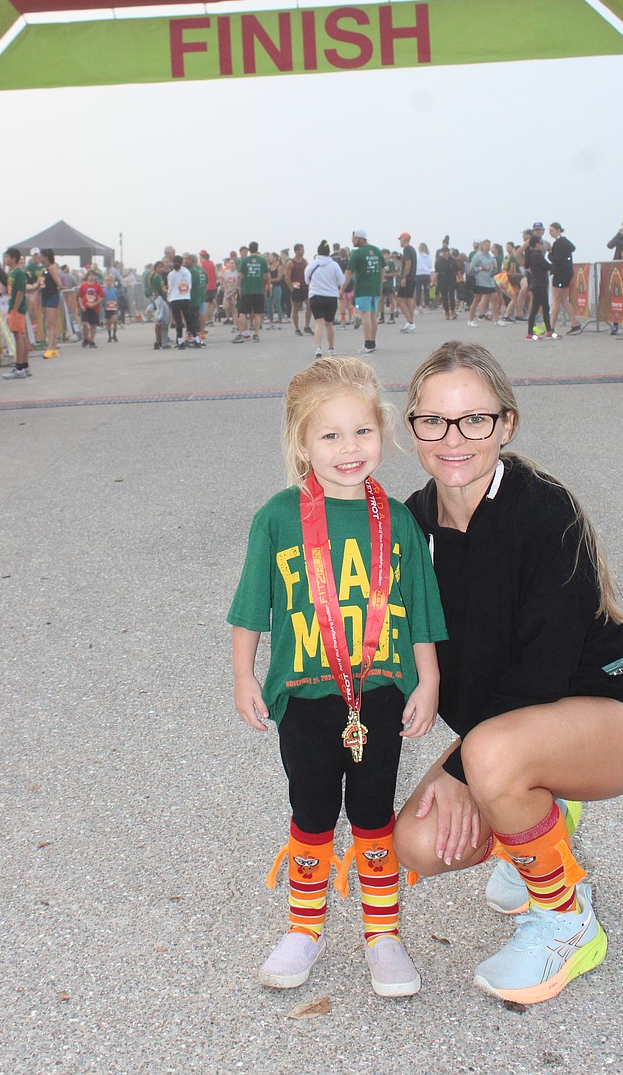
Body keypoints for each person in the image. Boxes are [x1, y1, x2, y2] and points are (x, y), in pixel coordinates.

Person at [394, 341, 623, 1005]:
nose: (453, 438)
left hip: (615, 709)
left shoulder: (544, 508)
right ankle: (539, 811)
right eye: (433, 420)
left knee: (491, 756)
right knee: (416, 842)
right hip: (511, 728)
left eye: (474, 419)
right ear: (412, 428)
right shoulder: (411, 526)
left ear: (506, 423)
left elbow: (544, 672)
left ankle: (566, 921)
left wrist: (469, 772)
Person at [227, 356, 445, 996]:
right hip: (304, 697)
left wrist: (426, 681)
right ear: (301, 443)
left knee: (374, 810)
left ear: (383, 433)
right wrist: (244, 676)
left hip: (377, 693)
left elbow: (422, 610)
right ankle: (303, 928)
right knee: (312, 809)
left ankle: (383, 935)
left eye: (363, 432)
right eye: (330, 435)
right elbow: (250, 608)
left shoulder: (399, 521)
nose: (350, 449)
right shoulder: (276, 517)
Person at [342, 228, 383, 354]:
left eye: (354, 238)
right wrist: (380, 283)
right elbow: (382, 269)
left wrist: (341, 288)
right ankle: (373, 342)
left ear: (360, 239)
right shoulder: (376, 251)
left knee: (364, 314)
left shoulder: (357, 253)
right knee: (372, 315)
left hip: (362, 289)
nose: (352, 240)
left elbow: (349, 273)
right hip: (375, 288)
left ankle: (368, 343)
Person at [305, 241, 344, 358]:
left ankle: (318, 348)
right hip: (331, 296)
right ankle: (331, 348)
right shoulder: (334, 265)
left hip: (315, 296)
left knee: (318, 323)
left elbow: (307, 280)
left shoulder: (311, 265)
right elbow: (341, 281)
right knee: (329, 324)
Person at [3, 246, 33, 376]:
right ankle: (24, 366)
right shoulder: (11, 272)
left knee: (18, 336)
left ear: (13, 258)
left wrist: (14, 309)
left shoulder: (19, 273)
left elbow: (20, 291)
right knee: (21, 335)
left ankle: (19, 366)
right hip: (13, 307)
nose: (5, 259)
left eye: (7, 257)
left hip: (17, 309)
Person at [547, 223, 581, 334]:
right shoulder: (565, 242)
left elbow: (556, 260)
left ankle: (551, 327)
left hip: (560, 274)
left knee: (556, 300)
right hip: (567, 273)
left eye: (551, 230)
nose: (550, 233)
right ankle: (575, 324)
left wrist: (549, 253)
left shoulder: (559, 243)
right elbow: (573, 248)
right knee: (563, 300)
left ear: (558, 230)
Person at [233, 241, 269, 344]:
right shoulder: (262, 261)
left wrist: (238, 287)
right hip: (259, 290)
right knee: (258, 313)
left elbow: (239, 275)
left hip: (246, 290)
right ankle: (256, 334)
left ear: (249, 249)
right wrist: (268, 287)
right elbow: (267, 275)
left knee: (243, 312)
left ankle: (241, 334)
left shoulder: (244, 261)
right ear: (257, 248)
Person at [525, 236, 560, 341]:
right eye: (541, 243)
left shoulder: (534, 255)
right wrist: (556, 264)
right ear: (536, 244)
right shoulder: (536, 256)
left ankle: (549, 332)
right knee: (536, 309)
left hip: (539, 284)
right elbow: (547, 266)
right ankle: (530, 333)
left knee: (545, 308)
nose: (542, 245)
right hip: (538, 285)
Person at [39, 247, 63, 357]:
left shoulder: (52, 267)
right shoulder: (43, 269)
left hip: (52, 295)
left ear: (46, 257)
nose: (39, 258)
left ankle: (51, 347)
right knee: (48, 323)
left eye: (41, 256)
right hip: (44, 295)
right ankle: (53, 346)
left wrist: (62, 286)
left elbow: (57, 282)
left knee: (50, 323)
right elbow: (38, 283)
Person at [77, 269, 104, 348]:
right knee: (85, 323)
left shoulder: (97, 286)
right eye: (90, 275)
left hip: (94, 307)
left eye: (93, 275)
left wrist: (95, 304)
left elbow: (101, 297)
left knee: (93, 325)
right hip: (85, 307)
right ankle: (86, 338)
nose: (91, 277)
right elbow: (80, 296)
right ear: (87, 277)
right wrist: (81, 305)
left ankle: (92, 340)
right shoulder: (83, 285)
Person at [396, 233, 417, 332]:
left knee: (400, 300)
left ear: (405, 239)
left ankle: (410, 322)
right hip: (413, 277)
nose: (399, 241)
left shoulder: (407, 249)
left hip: (408, 278)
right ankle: (410, 322)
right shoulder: (412, 249)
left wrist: (404, 277)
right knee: (409, 300)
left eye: (400, 239)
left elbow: (408, 263)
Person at [434, 245, 458, 320]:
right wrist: (434, 281)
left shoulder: (453, 261)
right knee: (444, 297)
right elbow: (436, 272)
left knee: (451, 296)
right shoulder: (439, 261)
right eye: (443, 252)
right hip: (442, 280)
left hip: (451, 280)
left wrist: (458, 279)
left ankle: (453, 312)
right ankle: (447, 312)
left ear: (448, 252)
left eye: (446, 252)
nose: (445, 253)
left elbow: (456, 271)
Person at [415, 243, 433, 311]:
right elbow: (430, 266)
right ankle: (426, 306)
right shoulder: (429, 256)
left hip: (419, 274)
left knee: (418, 291)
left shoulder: (417, 256)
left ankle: (417, 306)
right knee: (426, 291)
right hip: (426, 274)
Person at [103, 271, 120, 342]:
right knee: (108, 322)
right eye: (107, 280)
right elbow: (102, 299)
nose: (109, 282)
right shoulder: (103, 290)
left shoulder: (115, 289)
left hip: (113, 306)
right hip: (107, 307)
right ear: (105, 282)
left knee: (115, 320)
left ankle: (114, 334)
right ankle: (109, 336)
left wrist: (117, 304)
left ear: (112, 281)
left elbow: (117, 297)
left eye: (110, 280)